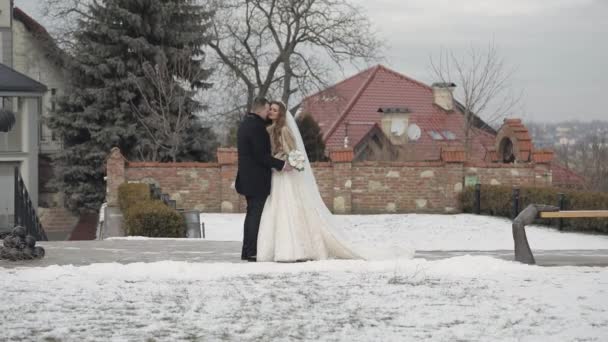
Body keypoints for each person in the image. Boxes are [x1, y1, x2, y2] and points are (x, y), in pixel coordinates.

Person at [235, 97, 293, 262]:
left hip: (247, 177)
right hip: (257, 179)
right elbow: (261, 156)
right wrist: (282, 164)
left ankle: (247, 250)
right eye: (268, 109)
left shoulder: (245, 123)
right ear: (260, 109)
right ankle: (252, 251)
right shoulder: (257, 127)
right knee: (255, 215)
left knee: (251, 214)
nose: (269, 112)